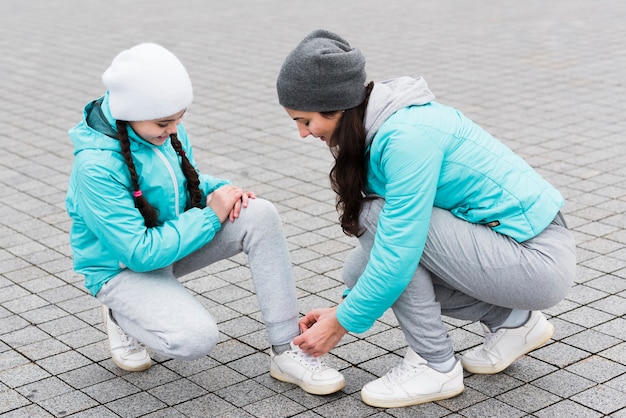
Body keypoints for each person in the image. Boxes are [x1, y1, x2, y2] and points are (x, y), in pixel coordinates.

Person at [276, 29, 576, 408]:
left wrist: (342, 323)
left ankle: (436, 366)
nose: (303, 134)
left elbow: (399, 251)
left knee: (376, 222)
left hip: (537, 259)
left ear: (335, 106)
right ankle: (514, 321)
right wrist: (346, 306)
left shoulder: (406, 138)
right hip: (516, 251)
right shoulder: (382, 124)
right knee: (359, 272)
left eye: (304, 121)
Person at [65, 42, 345, 396]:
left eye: (179, 119)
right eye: (164, 123)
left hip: (168, 243)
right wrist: (213, 215)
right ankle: (124, 316)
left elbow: (184, 182)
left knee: (258, 214)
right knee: (194, 340)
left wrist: (225, 191)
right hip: (122, 269)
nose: (173, 129)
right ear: (128, 113)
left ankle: (286, 350)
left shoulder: (157, 129)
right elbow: (139, 253)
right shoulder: (96, 167)